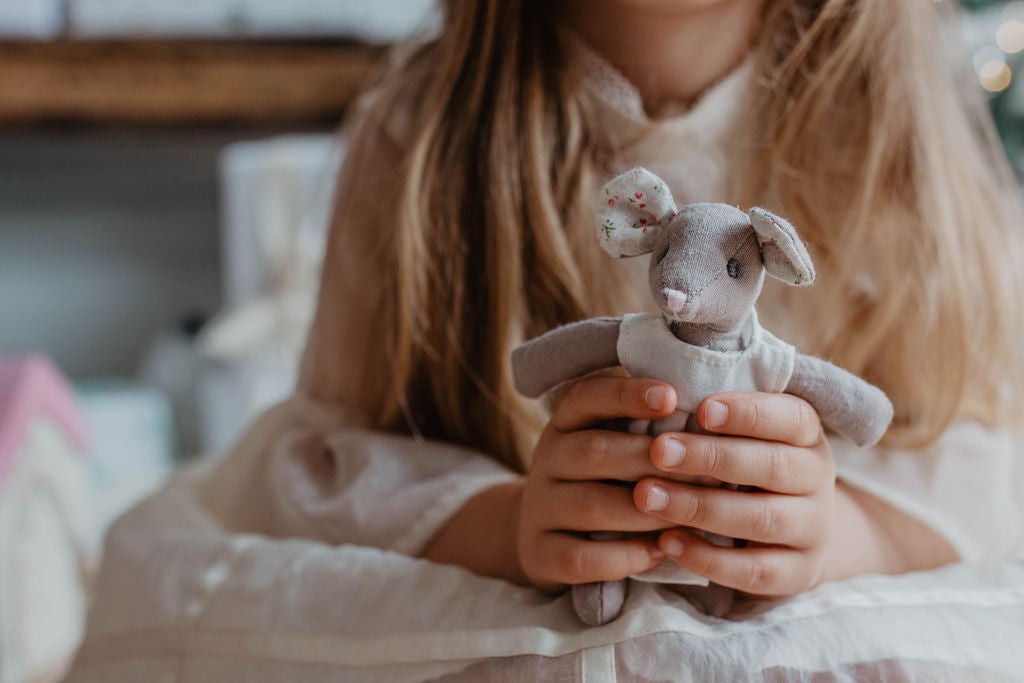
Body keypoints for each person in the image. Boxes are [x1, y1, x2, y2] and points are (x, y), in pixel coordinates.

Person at [67, 0, 1024, 680]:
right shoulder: (419, 137)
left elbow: (983, 460)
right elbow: (323, 459)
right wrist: (513, 522)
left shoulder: (898, 143)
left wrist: (830, 530)